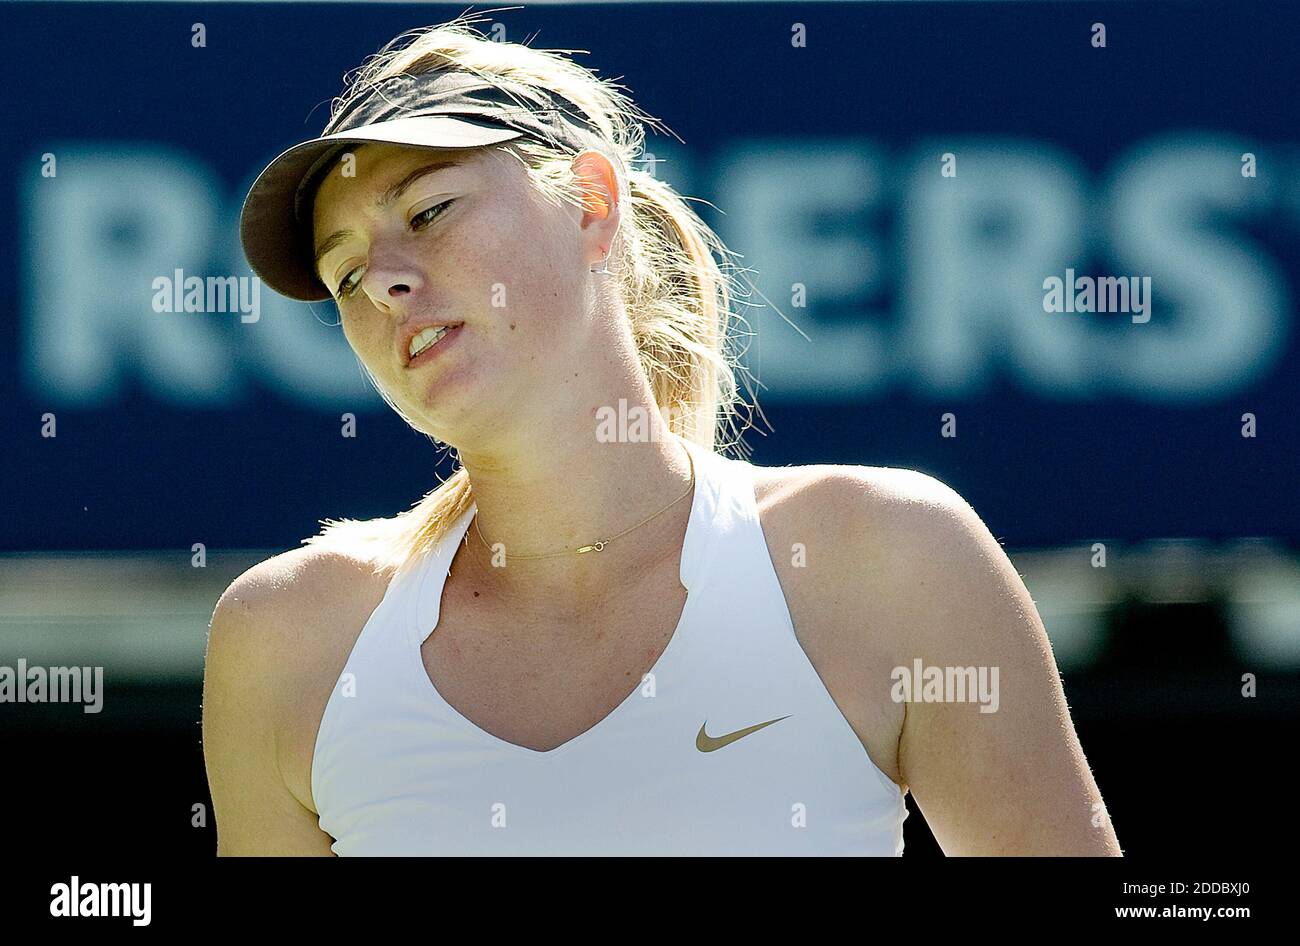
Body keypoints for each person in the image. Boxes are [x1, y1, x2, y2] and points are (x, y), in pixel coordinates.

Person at [203, 15, 1121, 856]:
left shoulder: (891, 553)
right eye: (347, 272)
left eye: (429, 211)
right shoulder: (282, 640)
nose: (389, 281)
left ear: (592, 203)